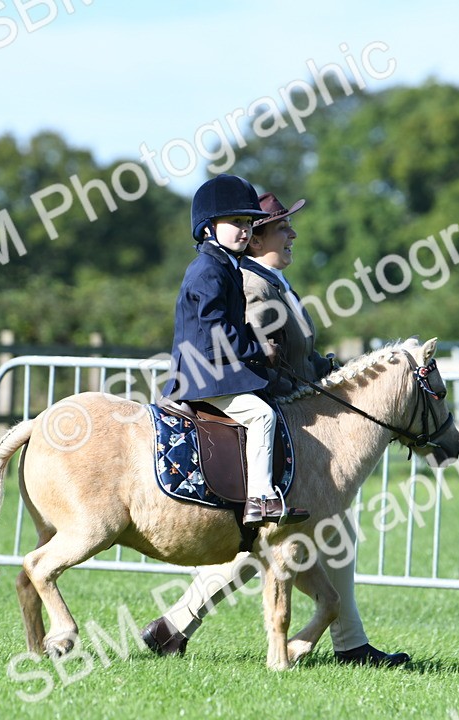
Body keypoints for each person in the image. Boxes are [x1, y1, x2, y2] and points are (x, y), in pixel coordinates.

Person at [143, 191, 412, 668]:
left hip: (295, 413)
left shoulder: (275, 282)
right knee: (269, 534)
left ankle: (348, 642)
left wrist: (329, 371)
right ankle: (178, 623)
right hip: (263, 414)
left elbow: (296, 354)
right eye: (283, 227)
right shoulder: (250, 285)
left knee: (325, 533)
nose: (292, 234)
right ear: (258, 236)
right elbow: (251, 355)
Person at [162, 173, 310, 528]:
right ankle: (260, 498)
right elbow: (216, 331)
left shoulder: (225, 265)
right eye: (236, 223)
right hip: (203, 374)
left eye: (247, 222)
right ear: (208, 228)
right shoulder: (207, 270)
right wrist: (254, 348)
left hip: (218, 368)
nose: (245, 230)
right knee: (261, 415)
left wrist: (259, 353)